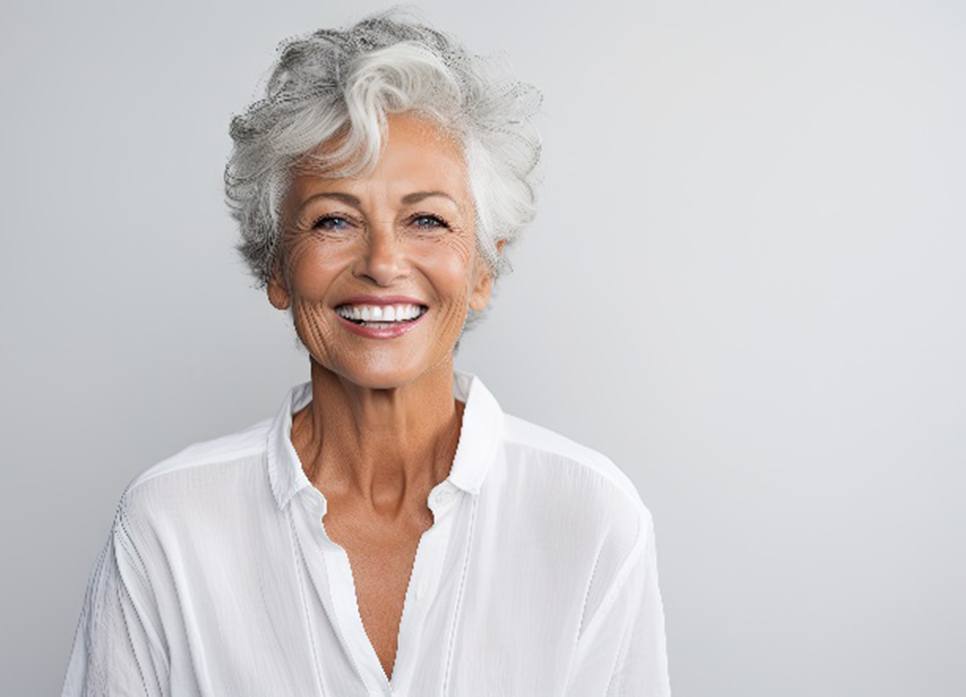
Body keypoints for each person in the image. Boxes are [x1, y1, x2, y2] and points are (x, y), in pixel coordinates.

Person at [60, 7, 671, 696]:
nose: (383, 262)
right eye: (334, 220)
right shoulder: (168, 523)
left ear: (481, 271)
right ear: (276, 269)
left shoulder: (591, 517)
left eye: (427, 220)